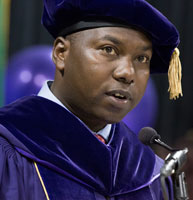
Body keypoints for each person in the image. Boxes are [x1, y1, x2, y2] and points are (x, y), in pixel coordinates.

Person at [0, 0, 183, 199]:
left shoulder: (150, 171)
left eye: (142, 59)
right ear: (61, 53)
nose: (127, 73)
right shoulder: (9, 145)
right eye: (109, 49)